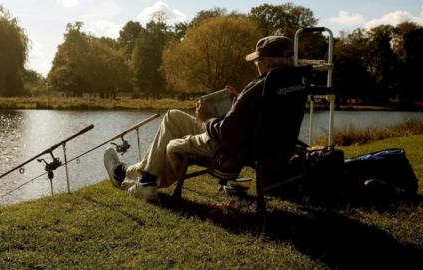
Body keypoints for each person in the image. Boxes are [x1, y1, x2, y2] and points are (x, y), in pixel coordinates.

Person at [104, 36, 295, 200]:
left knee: (171, 146)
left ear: (268, 64)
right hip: (255, 145)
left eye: (257, 61)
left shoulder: (259, 86)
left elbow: (227, 134)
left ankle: (132, 176)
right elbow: (256, 117)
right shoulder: (288, 84)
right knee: (173, 116)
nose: (256, 65)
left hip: (228, 145)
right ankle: (138, 176)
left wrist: (205, 118)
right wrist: (238, 102)